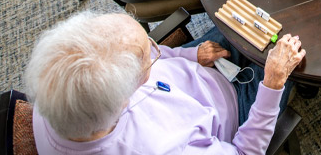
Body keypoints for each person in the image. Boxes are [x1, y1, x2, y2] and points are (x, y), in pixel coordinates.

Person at [26, 10, 306, 154]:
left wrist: (189, 54)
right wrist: (273, 81)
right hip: (239, 106)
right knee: (298, 37)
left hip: (197, 67)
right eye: (147, 55)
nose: (155, 48)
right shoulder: (160, 148)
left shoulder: (55, 84)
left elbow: (158, 57)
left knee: (261, 14)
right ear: (126, 98)